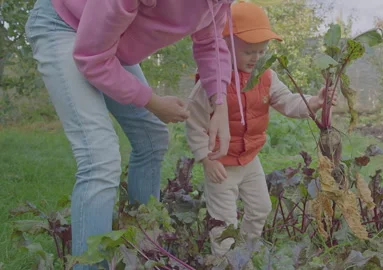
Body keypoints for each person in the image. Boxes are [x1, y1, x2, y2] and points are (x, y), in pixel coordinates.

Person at [24, 0, 240, 268]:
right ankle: (90, 264)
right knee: (100, 157)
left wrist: (219, 104)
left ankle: (140, 245)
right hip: (64, 25)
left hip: (108, 40)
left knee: (152, 137)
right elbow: (93, 58)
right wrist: (153, 102)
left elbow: (209, 42)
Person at [185, 1, 337, 256]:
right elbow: (194, 121)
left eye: (261, 51)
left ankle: (245, 251)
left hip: (249, 160)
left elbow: (288, 102)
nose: (256, 57)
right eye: (248, 52)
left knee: (260, 209)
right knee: (223, 221)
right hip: (220, 164)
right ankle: (224, 261)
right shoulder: (211, 84)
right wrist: (205, 159)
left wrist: (314, 101)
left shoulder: (266, 77)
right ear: (225, 45)